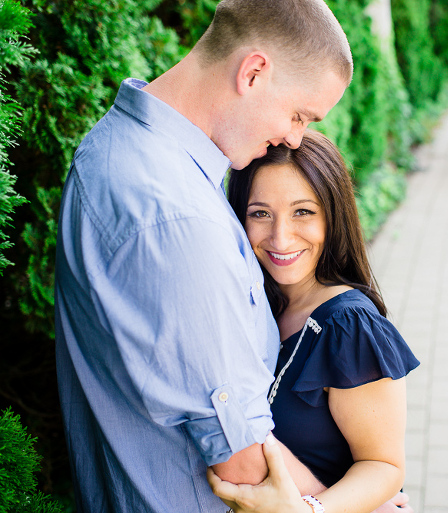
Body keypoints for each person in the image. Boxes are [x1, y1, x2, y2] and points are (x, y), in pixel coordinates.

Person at [54, 1, 352, 511]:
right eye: (299, 114)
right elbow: (241, 462)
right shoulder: (174, 215)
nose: (296, 138)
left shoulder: (126, 150)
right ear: (254, 72)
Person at [211, 129, 419, 513]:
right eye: (260, 213)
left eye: (302, 212)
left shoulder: (350, 327)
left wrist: (308, 510)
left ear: (333, 215)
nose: (280, 237)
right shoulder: (255, 305)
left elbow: (384, 466)